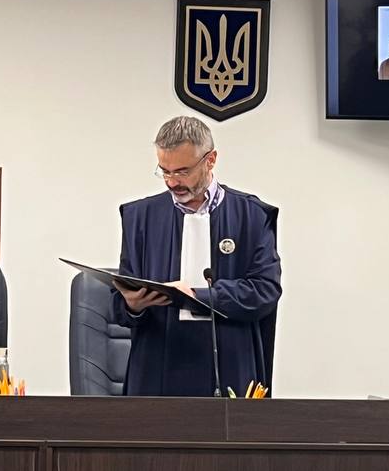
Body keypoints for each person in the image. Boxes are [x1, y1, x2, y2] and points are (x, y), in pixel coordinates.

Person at [112, 116, 281, 397]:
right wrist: (132, 304)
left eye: (182, 171)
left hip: (229, 365)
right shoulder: (139, 217)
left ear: (210, 160)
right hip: (157, 370)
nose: (172, 182)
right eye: (164, 171)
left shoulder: (252, 216)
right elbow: (120, 306)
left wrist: (196, 296)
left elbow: (265, 291)